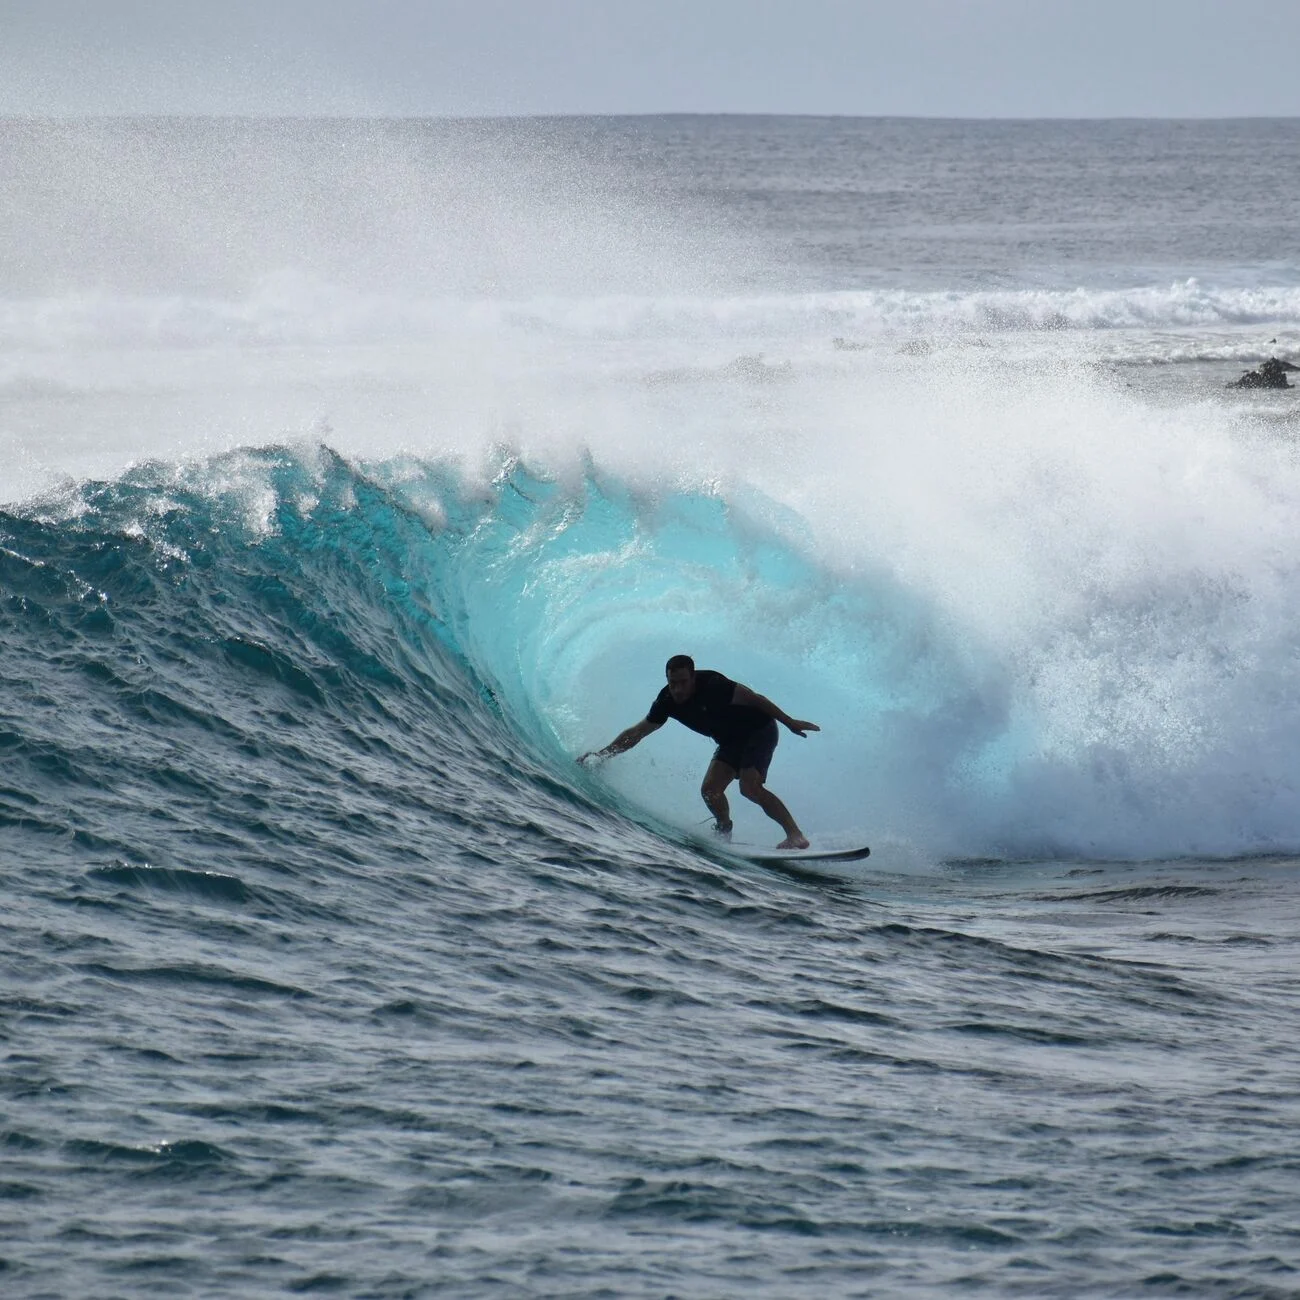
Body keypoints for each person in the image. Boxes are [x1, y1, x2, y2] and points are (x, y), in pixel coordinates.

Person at [578, 654, 819, 850]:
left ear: (693, 677)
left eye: (683, 682)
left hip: (759, 730)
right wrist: (602, 755)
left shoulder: (715, 685)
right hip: (730, 741)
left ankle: (795, 836)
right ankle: (724, 830)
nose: (678, 689)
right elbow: (638, 732)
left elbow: (757, 699)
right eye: (672, 683)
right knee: (710, 791)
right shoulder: (666, 701)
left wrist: (790, 722)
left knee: (749, 788)